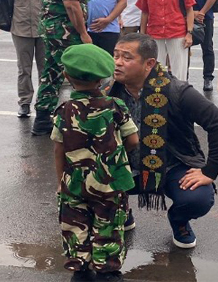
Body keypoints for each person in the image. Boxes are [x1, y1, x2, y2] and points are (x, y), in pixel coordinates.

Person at [109, 33, 218, 249]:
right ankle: (121, 208)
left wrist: (209, 171)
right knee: (83, 180)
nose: (118, 62)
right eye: (116, 55)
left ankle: (179, 221)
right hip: (124, 166)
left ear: (149, 64)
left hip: (171, 166)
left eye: (126, 57)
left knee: (197, 199)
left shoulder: (176, 90)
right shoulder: (109, 89)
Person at [52, 44, 139, 282]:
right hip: (109, 182)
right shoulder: (115, 107)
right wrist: (116, 156)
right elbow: (132, 139)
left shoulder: (64, 111)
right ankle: (107, 271)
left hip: (75, 182)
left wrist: (62, 181)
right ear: (102, 79)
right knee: (108, 225)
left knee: (75, 225)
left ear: (66, 76)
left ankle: (80, 269)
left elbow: (58, 149)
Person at [31, 0, 91, 136]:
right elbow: (72, 5)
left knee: (52, 72)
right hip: (67, 31)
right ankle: (82, 119)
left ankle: (42, 119)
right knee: (80, 72)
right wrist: (83, 34)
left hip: (51, 30)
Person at [136, 0, 195, 81]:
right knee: (155, 71)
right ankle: (157, 99)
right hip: (154, 34)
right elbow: (145, 12)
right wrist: (142, 34)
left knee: (179, 71)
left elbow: (190, 10)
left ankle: (180, 98)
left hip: (177, 33)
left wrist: (189, 33)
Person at [178, 0, 218, 90]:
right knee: (184, 48)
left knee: (207, 48)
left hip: (205, 17)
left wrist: (201, 12)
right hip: (183, 18)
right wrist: (191, 13)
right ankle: (184, 78)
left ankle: (208, 78)